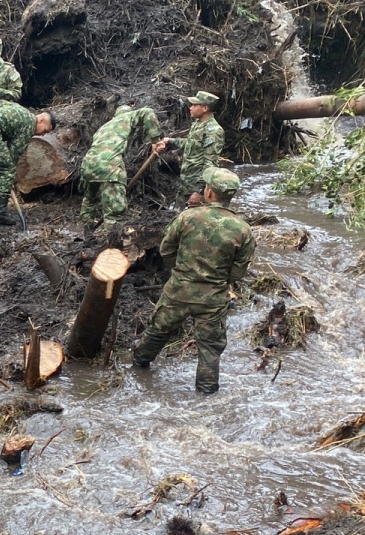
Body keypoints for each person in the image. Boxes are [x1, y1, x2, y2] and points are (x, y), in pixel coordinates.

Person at [132, 167, 255, 394]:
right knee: (210, 348)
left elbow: (165, 250)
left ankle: (139, 366)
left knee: (158, 330)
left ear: (209, 192)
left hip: (179, 289)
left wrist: (181, 272)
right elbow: (238, 273)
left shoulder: (187, 217)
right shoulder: (243, 230)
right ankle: (206, 396)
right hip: (214, 297)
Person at [79, 105, 164, 238]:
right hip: (108, 166)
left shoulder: (104, 127)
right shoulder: (127, 117)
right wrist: (155, 141)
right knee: (114, 211)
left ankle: (87, 238)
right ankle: (111, 244)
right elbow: (147, 111)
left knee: (90, 201)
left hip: (88, 165)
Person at [0, 103, 56, 224]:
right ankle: (0, 212)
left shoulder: (22, 113)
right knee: (8, 170)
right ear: (41, 120)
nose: (42, 135)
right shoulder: (29, 125)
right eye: (45, 130)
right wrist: (8, 179)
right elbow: (14, 154)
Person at [152, 91, 224, 207]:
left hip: (196, 185)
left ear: (205, 108)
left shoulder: (214, 131)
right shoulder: (197, 124)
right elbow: (191, 144)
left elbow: (210, 163)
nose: (190, 108)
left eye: (195, 105)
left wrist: (199, 191)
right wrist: (170, 141)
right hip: (186, 181)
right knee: (178, 216)